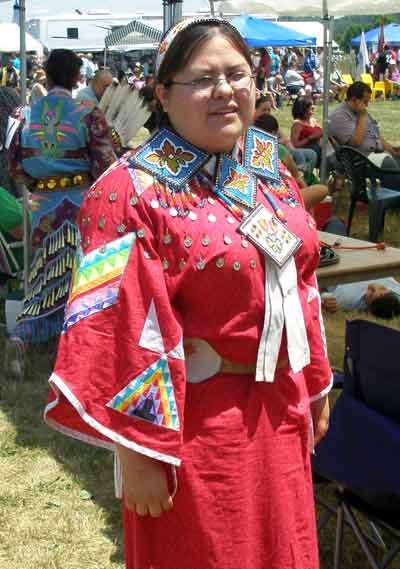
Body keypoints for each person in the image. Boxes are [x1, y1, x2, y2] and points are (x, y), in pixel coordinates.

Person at [44, 17, 331, 569]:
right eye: (203, 79)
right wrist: (138, 453)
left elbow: (301, 278)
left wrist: (316, 380)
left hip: (278, 413)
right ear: (163, 94)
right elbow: (117, 329)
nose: (225, 90)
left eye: (237, 74)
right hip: (192, 436)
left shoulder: (268, 166)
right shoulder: (131, 193)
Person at [7, 49, 116, 344]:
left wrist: (39, 181)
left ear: (49, 75)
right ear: (76, 77)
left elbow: (15, 166)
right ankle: (77, 334)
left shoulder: (24, 113)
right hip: (80, 203)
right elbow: (106, 164)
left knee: (43, 270)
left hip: (41, 207)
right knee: (80, 270)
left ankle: (28, 333)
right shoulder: (87, 113)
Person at [328, 81, 400, 189]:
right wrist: (361, 117)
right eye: (365, 101)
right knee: (388, 162)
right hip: (358, 160)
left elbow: (377, 136)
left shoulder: (360, 110)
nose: (367, 105)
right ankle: (394, 198)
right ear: (354, 100)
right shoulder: (339, 115)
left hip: (373, 154)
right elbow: (355, 143)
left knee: (395, 158)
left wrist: (392, 150)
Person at [254, 113, 328, 209]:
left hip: (269, 199)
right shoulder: (279, 150)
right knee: (322, 189)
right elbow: (298, 178)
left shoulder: (245, 149)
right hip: (282, 199)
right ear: (273, 133)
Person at [321, 277, 400, 319]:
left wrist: (322, 302)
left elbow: (319, 295)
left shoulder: (347, 300)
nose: (369, 290)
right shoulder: (396, 293)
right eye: (383, 289)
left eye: (370, 294)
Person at [291, 96, 323, 166]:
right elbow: (294, 145)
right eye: (310, 105)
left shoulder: (313, 120)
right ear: (303, 108)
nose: (313, 107)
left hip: (320, 148)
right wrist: (310, 138)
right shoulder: (297, 124)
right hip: (309, 152)